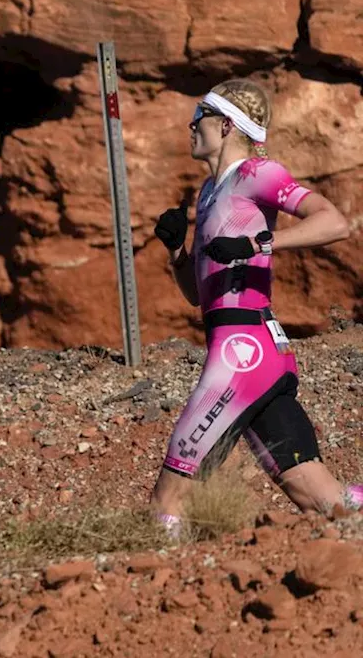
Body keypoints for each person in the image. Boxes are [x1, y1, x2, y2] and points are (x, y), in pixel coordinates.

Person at [151, 78, 361, 537]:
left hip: (242, 352)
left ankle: (146, 590)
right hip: (252, 350)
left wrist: (260, 242)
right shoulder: (209, 192)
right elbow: (196, 294)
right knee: (327, 501)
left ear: (226, 126)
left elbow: (335, 222)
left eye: (198, 118)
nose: (190, 127)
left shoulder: (257, 173)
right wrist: (176, 251)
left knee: (169, 496)